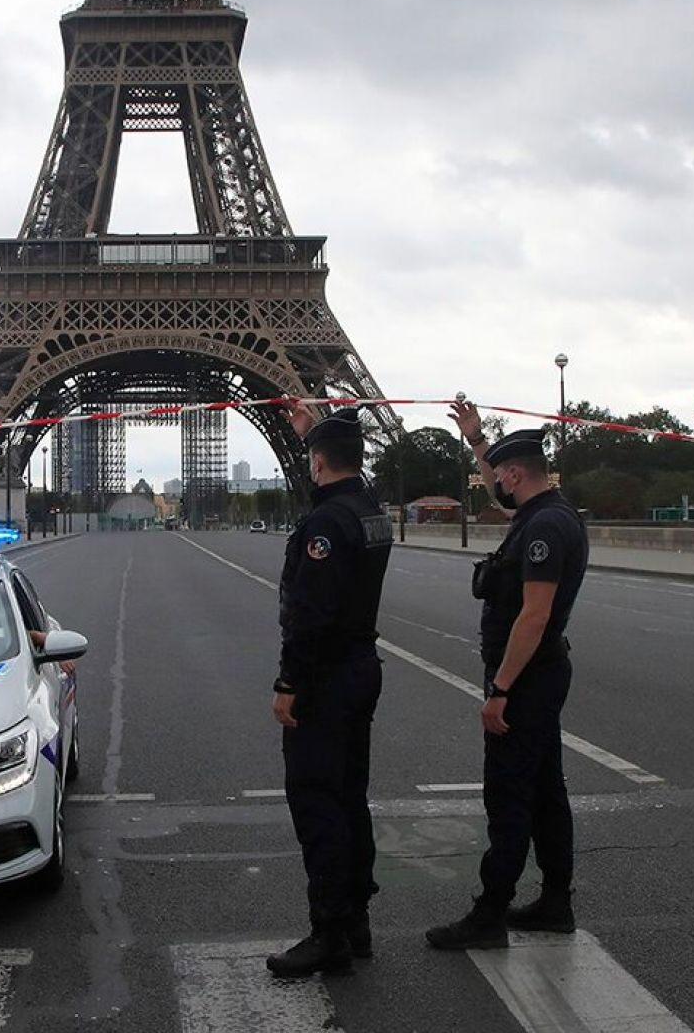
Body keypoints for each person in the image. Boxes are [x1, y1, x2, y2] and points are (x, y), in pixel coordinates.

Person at [427, 405, 589, 950]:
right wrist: (476, 440)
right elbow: (502, 499)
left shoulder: (542, 528)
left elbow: (534, 616)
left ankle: (489, 914)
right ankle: (555, 902)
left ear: (517, 474)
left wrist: (500, 689)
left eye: (501, 474)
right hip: (543, 674)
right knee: (546, 792)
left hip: (527, 679)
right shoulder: (552, 513)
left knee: (509, 796)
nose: (496, 483)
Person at [264, 405, 394, 977]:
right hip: (362, 666)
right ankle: (355, 919)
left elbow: (310, 615)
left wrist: (290, 682)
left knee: (317, 802)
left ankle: (329, 932)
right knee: (349, 797)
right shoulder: (371, 515)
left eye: (312, 458)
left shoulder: (324, 526)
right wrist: (312, 432)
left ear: (317, 462)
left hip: (326, 677)